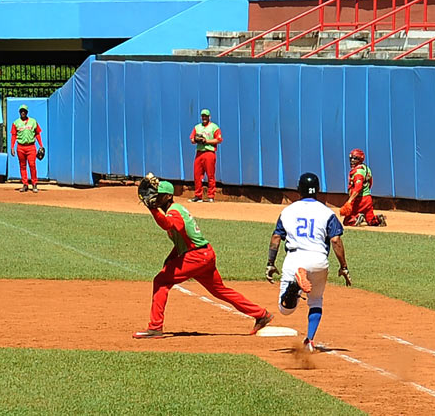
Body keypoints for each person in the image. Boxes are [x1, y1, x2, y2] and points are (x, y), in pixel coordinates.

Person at [133, 180, 273, 339]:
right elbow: (182, 241)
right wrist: (171, 258)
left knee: (161, 281)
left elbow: (167, 224)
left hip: (197, 256)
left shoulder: (174, 211)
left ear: (168, 197)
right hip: (203, 255)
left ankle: (155, 328)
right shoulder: (175, 210)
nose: (153, 198)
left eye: (157, 196)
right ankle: (261, 314)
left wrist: (152, 209)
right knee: (220, 290)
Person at [266, 173, 351, 352]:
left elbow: (276, 237)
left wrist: (270, 263)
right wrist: (343, 267)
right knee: (316, 301)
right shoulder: (327, 212)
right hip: (319, 260)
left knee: (285, 310)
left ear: (299, 190)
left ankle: (294, 286)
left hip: (295, 260)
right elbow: (335, 240)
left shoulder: (288, 211)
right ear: (318, 190)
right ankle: (310, 341)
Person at [341, 148, 386, 227]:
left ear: (360, 159)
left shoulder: (358, 172)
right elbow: (371, 183)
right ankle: (377, 220)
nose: (352, 160)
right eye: (351, 158)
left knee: (347, 221)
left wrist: (350, 201)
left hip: (359, 200)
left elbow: (358, 188)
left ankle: (358, 217)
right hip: (368, 198)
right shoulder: (366, 168)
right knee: (370, 220)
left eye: (355, 158)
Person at [188, 109, 222, 203]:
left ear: (209, 117)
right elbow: (192, 139)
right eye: (203, 116)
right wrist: (196, 140)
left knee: (210, 175)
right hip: (199, 152)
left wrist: (206, 141)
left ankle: (211, 196)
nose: (204, 118)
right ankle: (198, 196)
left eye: (206, 116)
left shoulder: (214, 127)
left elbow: (218, 139)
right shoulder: (197, 127)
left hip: (209, 153)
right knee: (197, 175)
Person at [10, 104, 44, 193]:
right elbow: (13, 135)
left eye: (24, 111)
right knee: (22, 166)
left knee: (32, 165)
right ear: (19, 112)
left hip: (31, 146)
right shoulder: (16, 123)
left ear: (27, 112)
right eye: (21, 111)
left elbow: (37, 133)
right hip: (20, 147)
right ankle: (25, 184)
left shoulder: (33, 121)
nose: (23, 112)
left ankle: (34, 184)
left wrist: (41, 145)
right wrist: (12, 147)